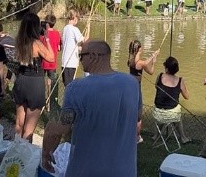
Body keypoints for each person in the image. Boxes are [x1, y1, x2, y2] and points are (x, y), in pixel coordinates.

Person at [41, 40, 142, 177]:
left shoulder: (76, 88)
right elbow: (137, 117)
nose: (80, 60)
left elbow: (61, 129)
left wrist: (47, 148)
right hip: (126, 171)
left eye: (81, 56)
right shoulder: (132, 83)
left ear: (93, 56)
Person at [13, 13, 54, 140]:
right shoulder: (36, 43)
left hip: (21, 80)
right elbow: (51, 58)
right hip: (34, 83)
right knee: (29, 129)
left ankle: (16, 148)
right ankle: (26, 150)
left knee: (19, 123)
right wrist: (47, 39)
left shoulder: (19, 42)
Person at [153, 56, 192, 144]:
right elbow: (187, 97)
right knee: (176, 110)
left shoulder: (160, 76)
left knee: (164, 109)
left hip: (157, 113)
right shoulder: (180, 80)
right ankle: (183, 137)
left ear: (167, 69)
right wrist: (183, 85)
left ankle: (156, 135)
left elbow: (156, 86)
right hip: (172, 115)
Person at [60, 10, 86, 87]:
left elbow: (70, 44)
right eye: (77, 18)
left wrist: (78, 48)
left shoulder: (65, 28)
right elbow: (83, 40)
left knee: (66, 85)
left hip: (64, 62)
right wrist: (87, 31)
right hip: (71, 63)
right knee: (70, 86)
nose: (77, 21)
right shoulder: (74, 29)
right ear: (74, 18)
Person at [42, 14, 62, 109]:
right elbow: (59, 48)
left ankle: (42, 101)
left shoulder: (43, 34)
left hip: (43, 62)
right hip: (52, 63)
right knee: (50, 82)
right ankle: (49, 103)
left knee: (42, 82)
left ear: (46, 23)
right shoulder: (57, 34)